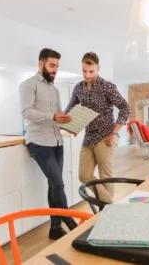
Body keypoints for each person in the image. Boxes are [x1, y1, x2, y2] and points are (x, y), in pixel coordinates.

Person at [19, 48, 78, 240]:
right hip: (39, 142)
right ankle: (69, 221)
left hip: (57, 141)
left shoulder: (54, 89)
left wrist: (70, 124)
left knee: (55, 185)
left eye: (57, 67)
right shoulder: (28, 85)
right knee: (58, 183)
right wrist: (51, 116)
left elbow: (58, 115)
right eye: (52, 65)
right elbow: (26, 112)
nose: (55, 70)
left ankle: (54, 228)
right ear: (41, 63)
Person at [65, 52, 130, 203]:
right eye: (84, 71)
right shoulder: (78, 88)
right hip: (88, 138)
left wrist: (114, 133)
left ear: (98, 68)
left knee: (105, 177)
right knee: (84, 175)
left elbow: (124, 107)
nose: (87, 75)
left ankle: (105, 211)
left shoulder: (107, 87)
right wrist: (70, 125)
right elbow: (70, 109)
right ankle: (111, 206)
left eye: (91, 71)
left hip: (106, 137)